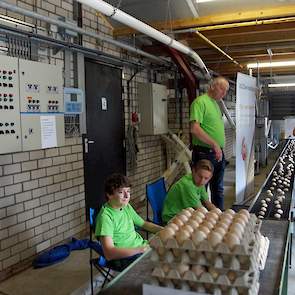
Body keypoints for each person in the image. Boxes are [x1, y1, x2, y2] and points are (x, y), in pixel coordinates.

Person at [95, 173, 163, 271]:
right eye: (121, 192)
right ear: (109, 194)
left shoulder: (126, 206)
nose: (127, 196)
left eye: (128, 191)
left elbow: (144, 224)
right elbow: (109, 253)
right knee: (159, 268)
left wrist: (165, 230)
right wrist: (139, 250)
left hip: (141, 248)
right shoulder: (105, 217)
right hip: (125, 258)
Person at [190, 76, 229, 210]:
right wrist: (214, 144)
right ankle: (201, 220)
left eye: (226, 91)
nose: (224, 93)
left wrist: (218, 147)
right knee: (201, 188)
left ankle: (220, 217)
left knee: (217, 188)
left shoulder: (216, 105)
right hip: (205, 153)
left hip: (217, 153)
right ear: (212, 86)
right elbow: (194, 129)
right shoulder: (200, 102)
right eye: (222, 89)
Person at [162, 159, 216, 223]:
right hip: (172, 218)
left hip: (184, 215)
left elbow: (207, 203)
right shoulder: (187, 185)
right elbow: (200, 210)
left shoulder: (199, 183)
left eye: (206, 178)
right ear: (193, 171)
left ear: (210, 177)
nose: (202, 181)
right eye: (200, 176)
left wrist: (218, 213)